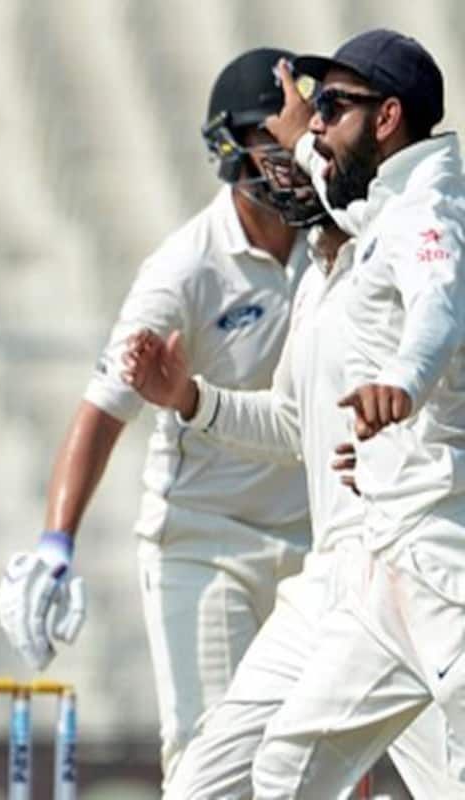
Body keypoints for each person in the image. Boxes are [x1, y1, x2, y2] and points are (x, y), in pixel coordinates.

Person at [0, 47, 328, 787]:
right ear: (230, 150)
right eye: (269, 141)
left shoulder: (331, 238)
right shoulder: (185, 268)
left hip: (313, 540)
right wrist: (56, 543)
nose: (290, 157)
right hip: (205, 543)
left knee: (312, 758)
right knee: (210, 757)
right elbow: (102, 411)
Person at [121, 219, 463, 798]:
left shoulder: (417, 237)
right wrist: (192, 399)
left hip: (416, 563)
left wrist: (405, 455)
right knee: (211, 787)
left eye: (318, 123)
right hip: (333, 572)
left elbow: (435, 373)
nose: (305, 145)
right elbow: (294, 423)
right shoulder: (316, 275)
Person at [228, 29, 465, 797]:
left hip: (447, 561)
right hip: (391, 562)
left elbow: (436, 310)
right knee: (288, 767)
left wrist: (401, 379)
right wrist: (302, 144)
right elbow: (340, 200)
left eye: (334, 106)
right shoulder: (390, 202)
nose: (318, 121)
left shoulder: (428, 212)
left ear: (388, 115)